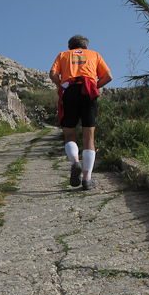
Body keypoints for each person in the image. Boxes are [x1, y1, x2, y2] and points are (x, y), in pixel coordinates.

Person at [49, 35, 112, 190]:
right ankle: (87, 178)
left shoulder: (63, 55)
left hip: (70, 90)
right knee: (89, 137)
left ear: (70, 46)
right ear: (86, 46)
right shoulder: (94, 55)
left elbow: (52, 74)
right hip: (88, 90)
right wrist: (95, 86)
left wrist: (61, 86)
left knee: (70, 134)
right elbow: (108, 76)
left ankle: (75, 161)